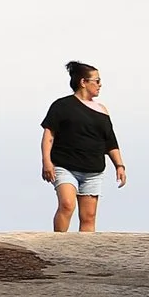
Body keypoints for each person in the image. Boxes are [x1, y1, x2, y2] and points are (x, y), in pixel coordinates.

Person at [40, 62, 127, 234]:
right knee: (67, 204)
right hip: (65, 166)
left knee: (89, 215)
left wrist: (120, 165)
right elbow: (48, 136)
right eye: (97, 80)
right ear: (83, 82)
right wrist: (46, 162)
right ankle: (57, 244)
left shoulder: (102, 110)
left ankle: (84, 254)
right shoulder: (62, 106)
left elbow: (110, 141)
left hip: (93, 170)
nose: (100, 85)